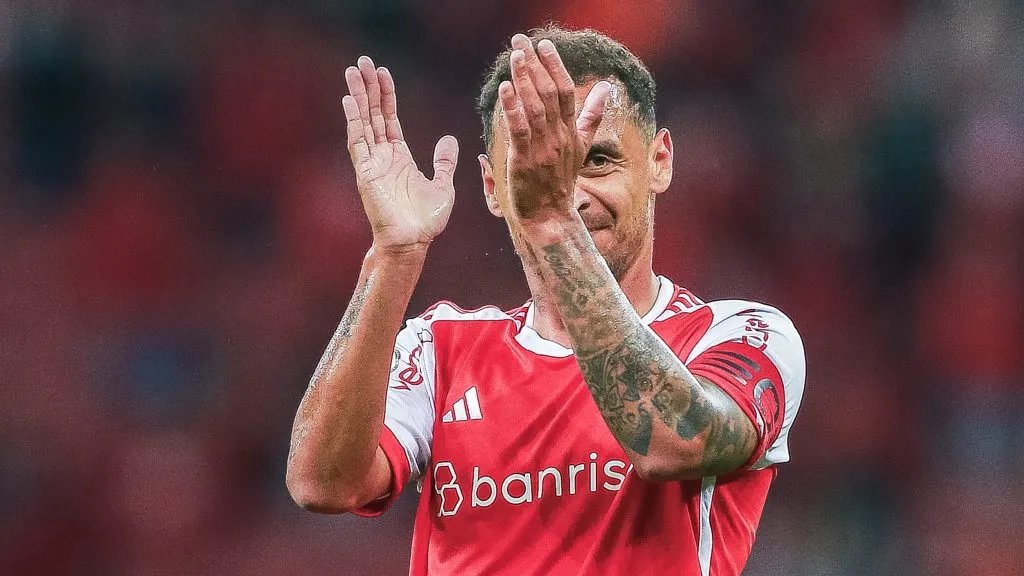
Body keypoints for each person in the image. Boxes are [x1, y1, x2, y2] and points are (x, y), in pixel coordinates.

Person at [286, 25, 806, 576]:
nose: (571, 194)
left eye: (597, 161)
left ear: (660, 161)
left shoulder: (741, 333)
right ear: (491, 188)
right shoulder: (441, 349)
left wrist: (551, 218)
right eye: (537, 173)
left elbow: (675, 442)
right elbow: (321, 483)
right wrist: (394, 254)